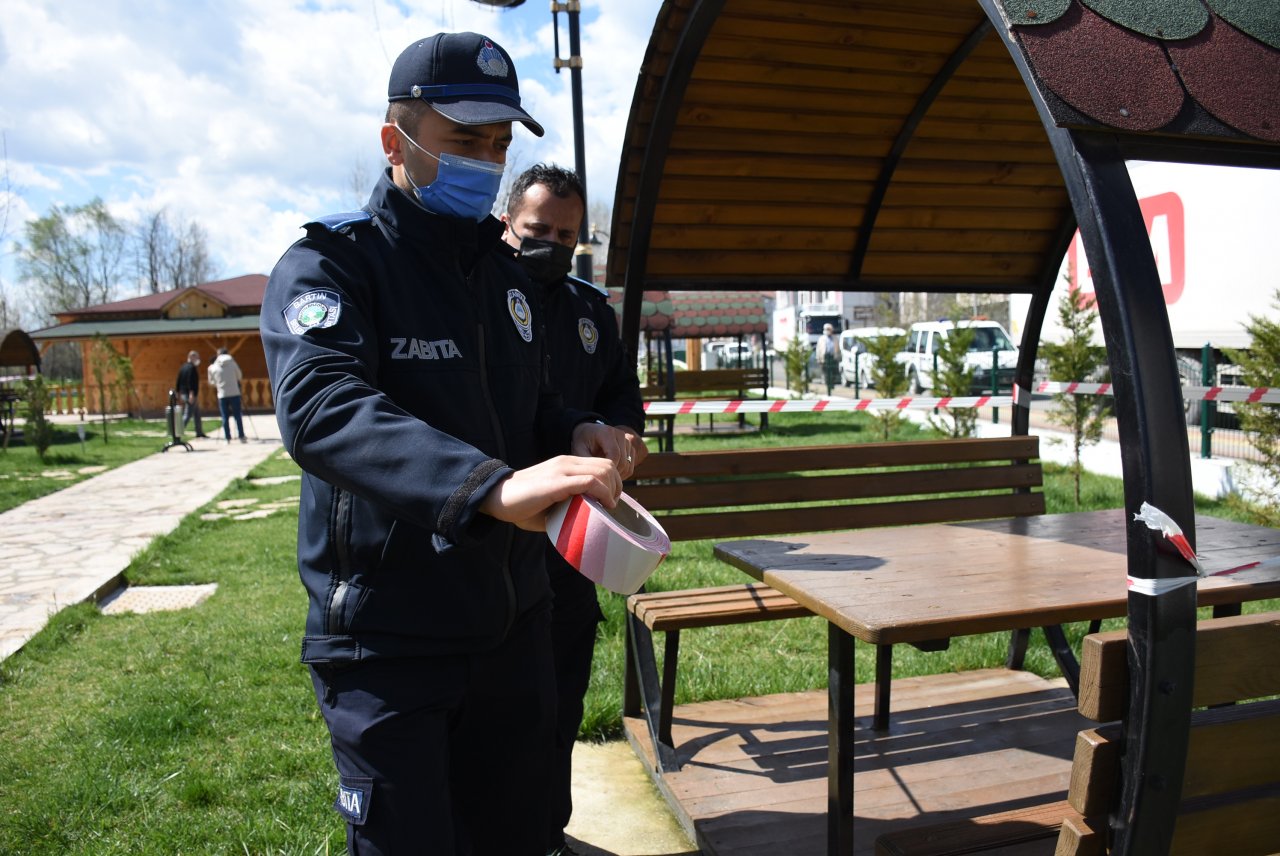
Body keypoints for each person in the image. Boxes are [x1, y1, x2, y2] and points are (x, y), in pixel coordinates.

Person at [259, 32, 634, 856]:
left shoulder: (510, 281)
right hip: (390, 641)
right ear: (397, 141)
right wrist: (488, 489)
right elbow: (323, 408)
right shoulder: (330, 267)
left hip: (514, 626)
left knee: (518, 836)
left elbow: (529, 405)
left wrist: (576, 428)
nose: (486, 162)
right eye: (465, 141)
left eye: (499, 145)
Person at [501, 164, 646, 856]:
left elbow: (623, 393)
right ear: (507, 221)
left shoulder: (591, 310)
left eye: (566, 234)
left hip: (579, 544)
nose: (552, 246)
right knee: (508, 714)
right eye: (538, 231)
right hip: (503, 535)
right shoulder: (481, 295)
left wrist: (624, 435)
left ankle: (550, 833)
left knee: (560, 702)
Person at [207, 346, 246, 443]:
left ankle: (227, 438)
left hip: (222, 394)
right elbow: (239, 376)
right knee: (237, 415)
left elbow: (211, 382)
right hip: (234, 392)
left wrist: (219, 384)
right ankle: (241, 436)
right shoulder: (232, 363)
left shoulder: (213, 367)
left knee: (225, 417)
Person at [174, 350, 208, 438]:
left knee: (197, 413)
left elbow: (178, 381)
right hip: (189, 394)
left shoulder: (183, 367)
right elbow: (190, 382)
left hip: (183, 393)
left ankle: (199, 431)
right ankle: (178, 432)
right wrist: (191, 394)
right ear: (192, 357)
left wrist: (177, 392)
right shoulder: (191, 368)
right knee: (187, 414)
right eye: (197, 357)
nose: (198, 359)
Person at [816, 322, 840, 396]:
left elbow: (838, 348)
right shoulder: (821, 339)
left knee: (833, 372)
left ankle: (831, 384)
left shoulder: (835, 338)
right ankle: (828, 386)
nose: (827, 330)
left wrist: (838, 357)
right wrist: (818, 358)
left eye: (829, 329)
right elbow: (818, 349)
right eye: (826, 329)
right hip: (825, 357)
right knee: (826, 372)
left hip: (833, 356)